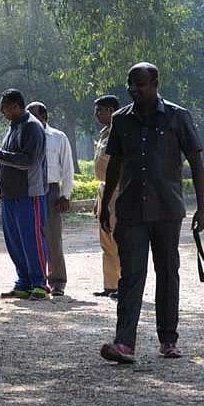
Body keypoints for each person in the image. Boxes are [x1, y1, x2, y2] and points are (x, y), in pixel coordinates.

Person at [99, 62, 204, 363]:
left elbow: (196, 164)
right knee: (131, 276)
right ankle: (124, 344)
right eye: (130, 85)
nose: (134, 90)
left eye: (141, 84)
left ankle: (168, 339)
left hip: (166, 209)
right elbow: (115, 165)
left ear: (156, 83)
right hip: (131, 210)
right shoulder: (121, 120)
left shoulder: (178, 116)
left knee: (167, 274)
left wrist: (202, 208)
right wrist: (106, 205)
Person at [0, 88, 50, 301]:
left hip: (29, 193)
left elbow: (29, 160)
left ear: (15, 106)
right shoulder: (12, 127)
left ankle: (39, 284)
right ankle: (23, 283)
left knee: (32, 240)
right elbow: (4, 165)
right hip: (10, 194)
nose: (2, 112)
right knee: (14, 242)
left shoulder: (32, 127)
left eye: (4, 107)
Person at [27, 101, 75, 298]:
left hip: (51, 190)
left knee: (53, 237)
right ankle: (35, 281)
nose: (30, 119)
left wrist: (65, 195)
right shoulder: (24, 136)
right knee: (31, 237)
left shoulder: (58, 137)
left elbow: (68, 168)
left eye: (34, 115)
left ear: (44, 117)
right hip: (29, 191)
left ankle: (57, 281)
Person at [92, 94, 121, 299]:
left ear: (111, 110)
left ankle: (124, 285)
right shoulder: (104, 133)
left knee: (118, 239)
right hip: (104, 189)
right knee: (106, 240)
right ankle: (110, 285)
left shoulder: (121, 132)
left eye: (99, 110)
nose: (96, 114)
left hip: (118, 190)